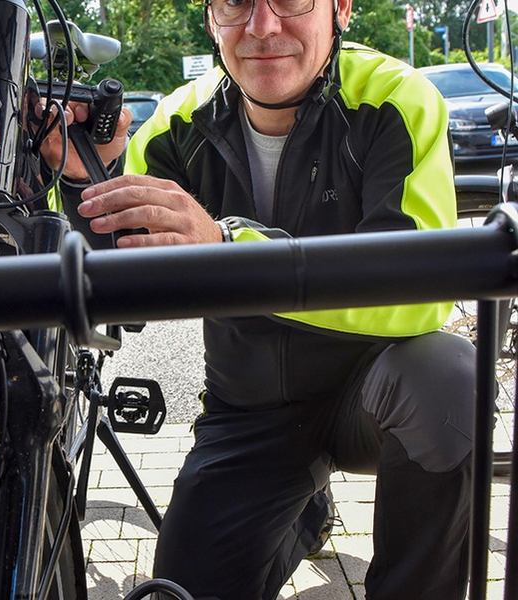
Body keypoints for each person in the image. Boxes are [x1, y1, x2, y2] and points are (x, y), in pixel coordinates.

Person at [41, 0, 475, 596]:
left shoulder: (398, 99)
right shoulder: (177, 123)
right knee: (184, 589)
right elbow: (123, 295)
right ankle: (302, 509)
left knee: (450, 375)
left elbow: (420, 294)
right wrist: (84, 174)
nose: (263, 26)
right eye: (236, 2)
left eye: (291, 1)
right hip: (250, 413)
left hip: (374, 399)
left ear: (341, 9)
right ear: (210, 17)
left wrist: (225, 243)